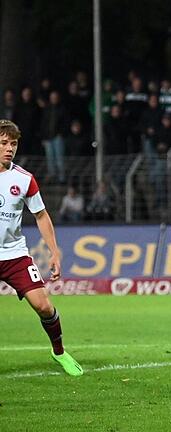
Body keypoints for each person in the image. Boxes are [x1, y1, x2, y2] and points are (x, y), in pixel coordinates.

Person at [0, 120, 82, 376]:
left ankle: (59, 351)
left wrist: (54, 252)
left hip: (15, 255)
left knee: (44, 306)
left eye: (13, 144)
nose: (9, 148)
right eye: (3, 143)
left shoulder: (24, 180)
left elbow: (41, 215)